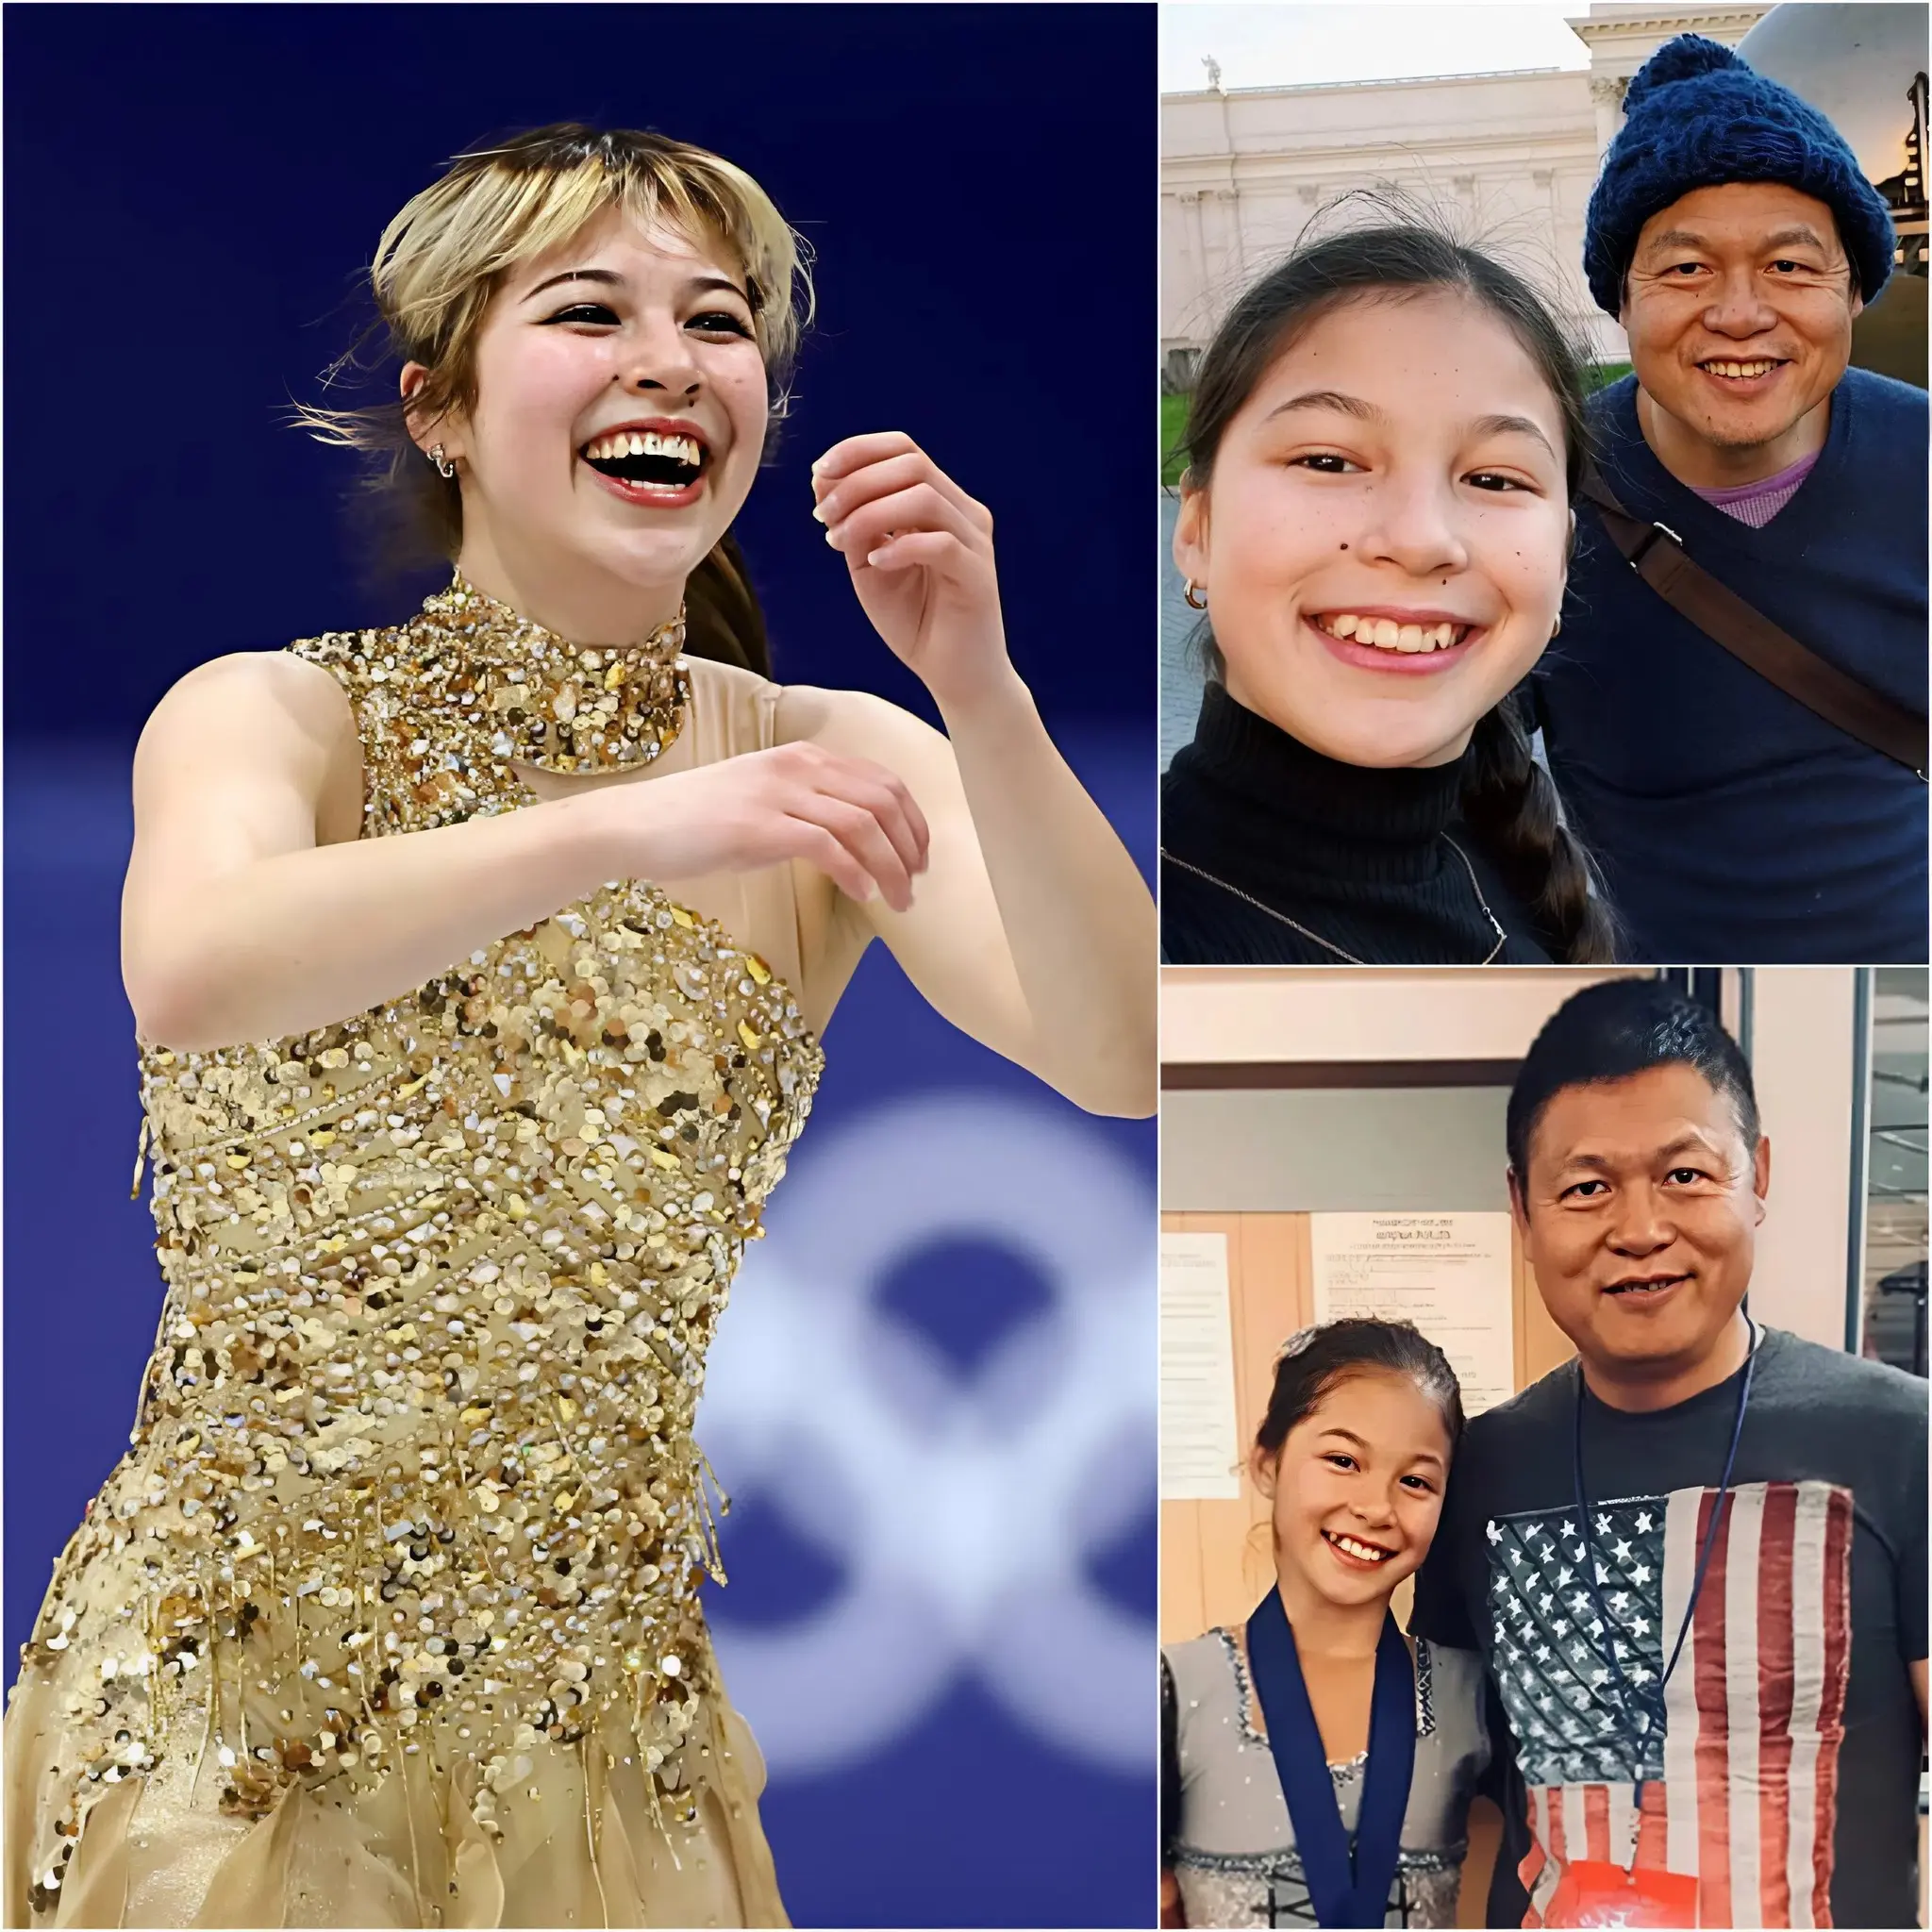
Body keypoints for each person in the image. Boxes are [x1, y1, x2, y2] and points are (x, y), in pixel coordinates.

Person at [3, 124, 1156, 1929]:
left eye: (715, 322)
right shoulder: (277, 714)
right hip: (223, 1700)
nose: (664, 361)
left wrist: (976, 684)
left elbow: (1116, 1050)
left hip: (602, 1727)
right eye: (586, 310)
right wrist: (636, 820)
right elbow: (196, 960)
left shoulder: (836, 751)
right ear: (442, 405)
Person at [1410, 978, 1928, 1928]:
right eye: (1585, 1187)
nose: (1639, 1227)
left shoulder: (1901, 1437)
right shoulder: (1476, 1468)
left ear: (1757, 1175)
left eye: (1684, 1175)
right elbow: (1467, 1795)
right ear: (1521, 1212)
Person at [1534, 35, 1929, 965]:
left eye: (1790, 266)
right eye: (1684, 269)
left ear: (1854, 292)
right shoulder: (1537, 492)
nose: (1740, 312)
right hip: (1646, 1002)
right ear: (1619, 301)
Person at [1160, 216, 1618, 967]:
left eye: (1494, 479)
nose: (1419, 539)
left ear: (1564, 556)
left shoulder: (1519, 872)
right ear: (1198, 527)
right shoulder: (1114, 916)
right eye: (1329, 462)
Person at [1161, 1320, 1491, 1928]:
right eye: (1343, 1459)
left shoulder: (1473, 1692)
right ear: (1268, 1464)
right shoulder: (1173, 1692)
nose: (1375, 1507)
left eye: (1416, 1481)